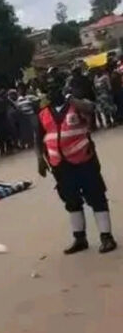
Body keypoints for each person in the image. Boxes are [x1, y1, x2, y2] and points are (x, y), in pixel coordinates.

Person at [36, 67, 116, 254]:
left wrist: (70, 98)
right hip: (60, 165)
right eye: (48, 89)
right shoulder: (43, 113)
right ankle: (79, 238)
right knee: (71, 201)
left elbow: (91, 108)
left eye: (56, 87)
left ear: (63, 87)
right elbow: (38, 138)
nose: (52, 92)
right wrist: (40, 159)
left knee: (96, 196)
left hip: (84, 159)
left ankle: (107, 237)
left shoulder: (76, 104)